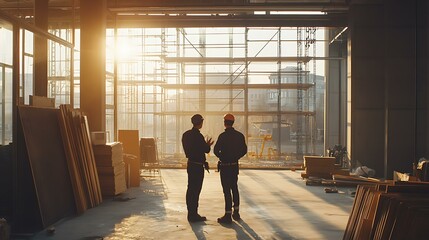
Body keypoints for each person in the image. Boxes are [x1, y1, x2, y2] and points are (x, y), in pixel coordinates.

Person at [214, 113, 247, 224]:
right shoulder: (239, 136)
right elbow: (244, 150)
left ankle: (228, 214)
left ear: (224, 122)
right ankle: (236, 212)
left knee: (227, 190)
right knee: (234, 188)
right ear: (233, 122)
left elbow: (215, 150)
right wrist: (236, 156)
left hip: (224, 167)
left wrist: (222, 156)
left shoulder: (222, 136)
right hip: (234, 166)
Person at [182, 114, 214, 222]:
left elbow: (189, 150)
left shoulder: (186, 135)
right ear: (200, 123)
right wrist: (208, 145)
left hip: (190, 164)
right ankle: (194, 214)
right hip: (198, 166)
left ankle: (190, 213)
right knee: (196, 190)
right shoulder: (198, 136)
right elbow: (206, 150)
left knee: (190, 188)